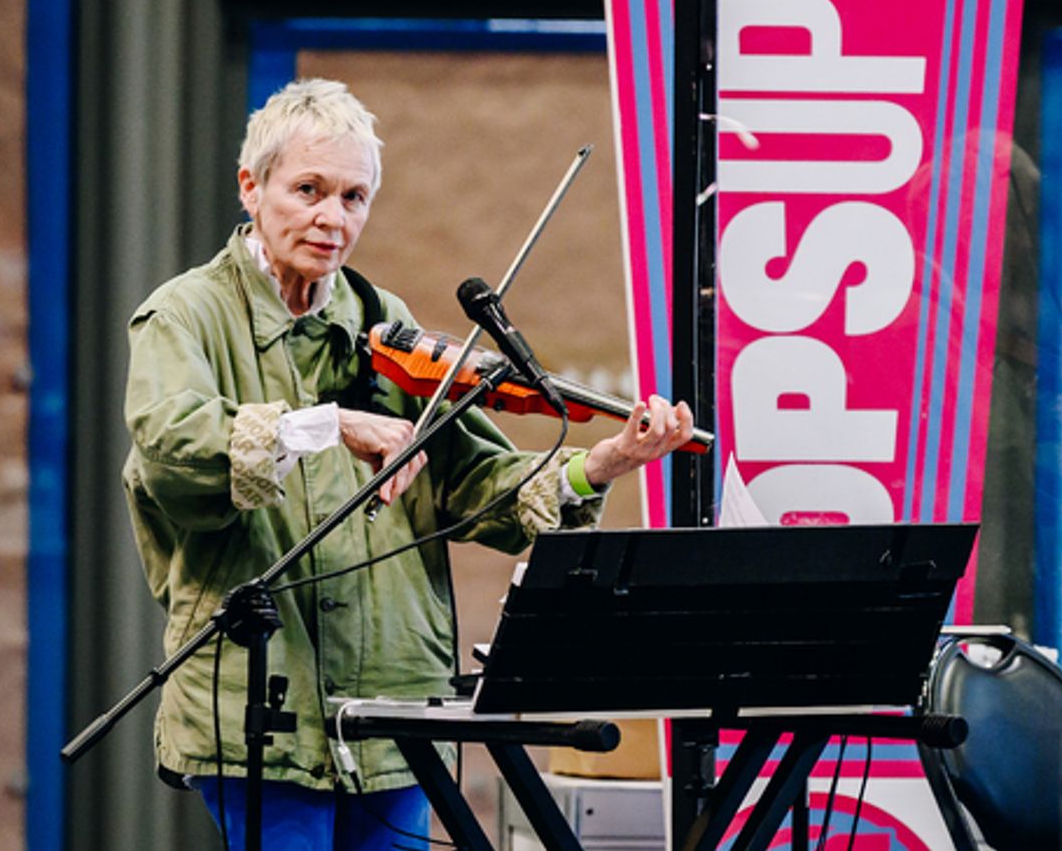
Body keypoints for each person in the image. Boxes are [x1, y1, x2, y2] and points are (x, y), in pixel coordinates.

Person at [122, 77, 693, 848]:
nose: (333, 218)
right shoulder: (186, 314)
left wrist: (606, 461)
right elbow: (171, 443)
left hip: (394, 709)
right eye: (309, 190)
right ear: (250, 187)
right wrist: (326, 423)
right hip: (263, 708)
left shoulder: (382, 322)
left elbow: (479, 484)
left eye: (355, 197)